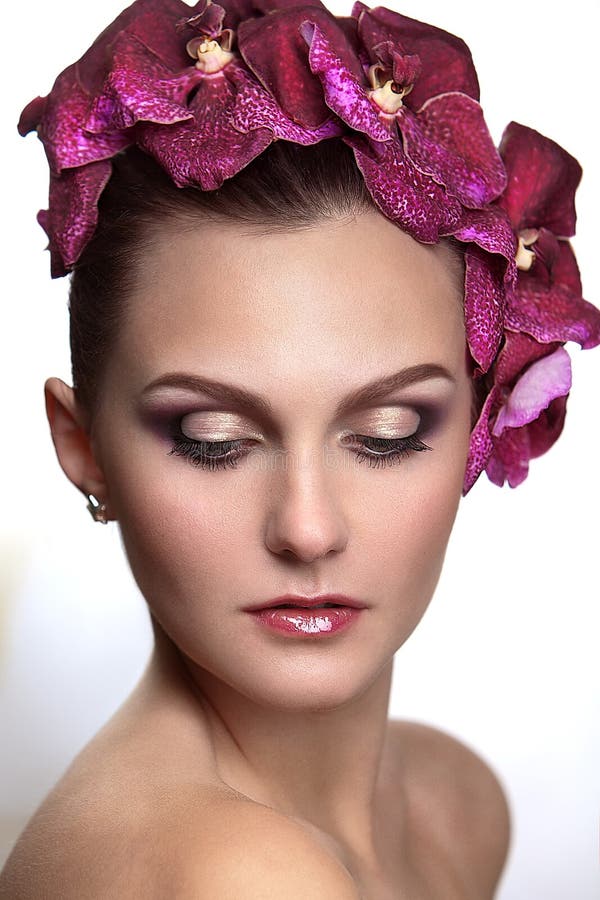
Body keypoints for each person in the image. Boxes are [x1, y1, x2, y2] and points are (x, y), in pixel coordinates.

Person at [2, 0, 599, 897]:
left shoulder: (456, 803)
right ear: (84, 446)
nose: (308, 528)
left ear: (486, 417)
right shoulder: (234, 875)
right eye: (213, 441)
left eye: (389, 434)